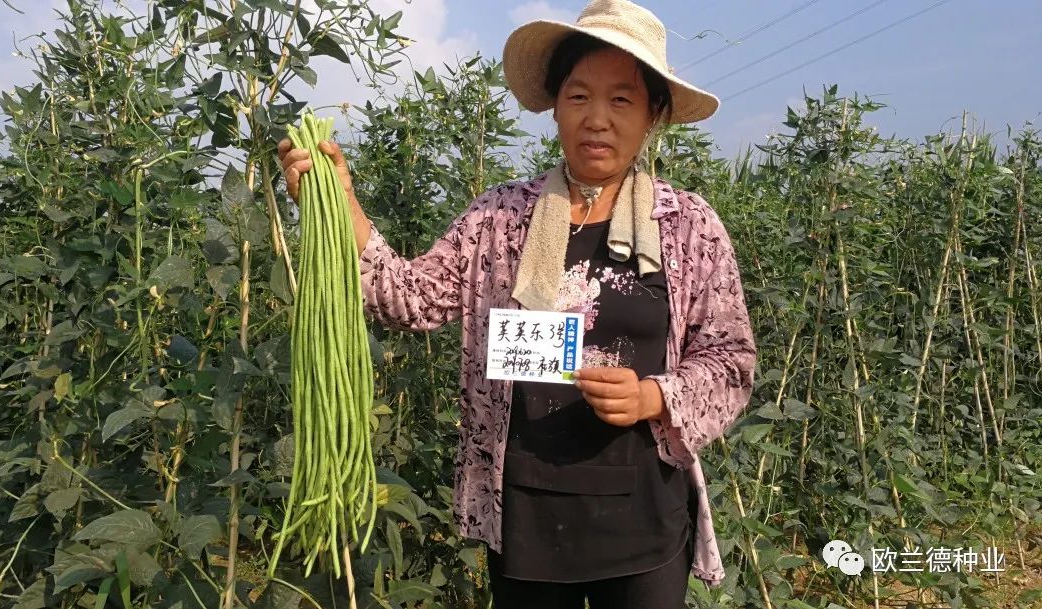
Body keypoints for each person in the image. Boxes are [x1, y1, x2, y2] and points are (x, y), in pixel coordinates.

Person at [278, 0, 756, 606]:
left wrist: (652, 395)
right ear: (555, 106)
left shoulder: (688, 226)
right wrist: (339, 204)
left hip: (643, 520)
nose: (598, 120)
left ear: (654, 114)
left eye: (622, 100)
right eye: (579, 97)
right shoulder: (499, 218)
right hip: (524, 515)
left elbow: (730, 359)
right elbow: (411, 299)